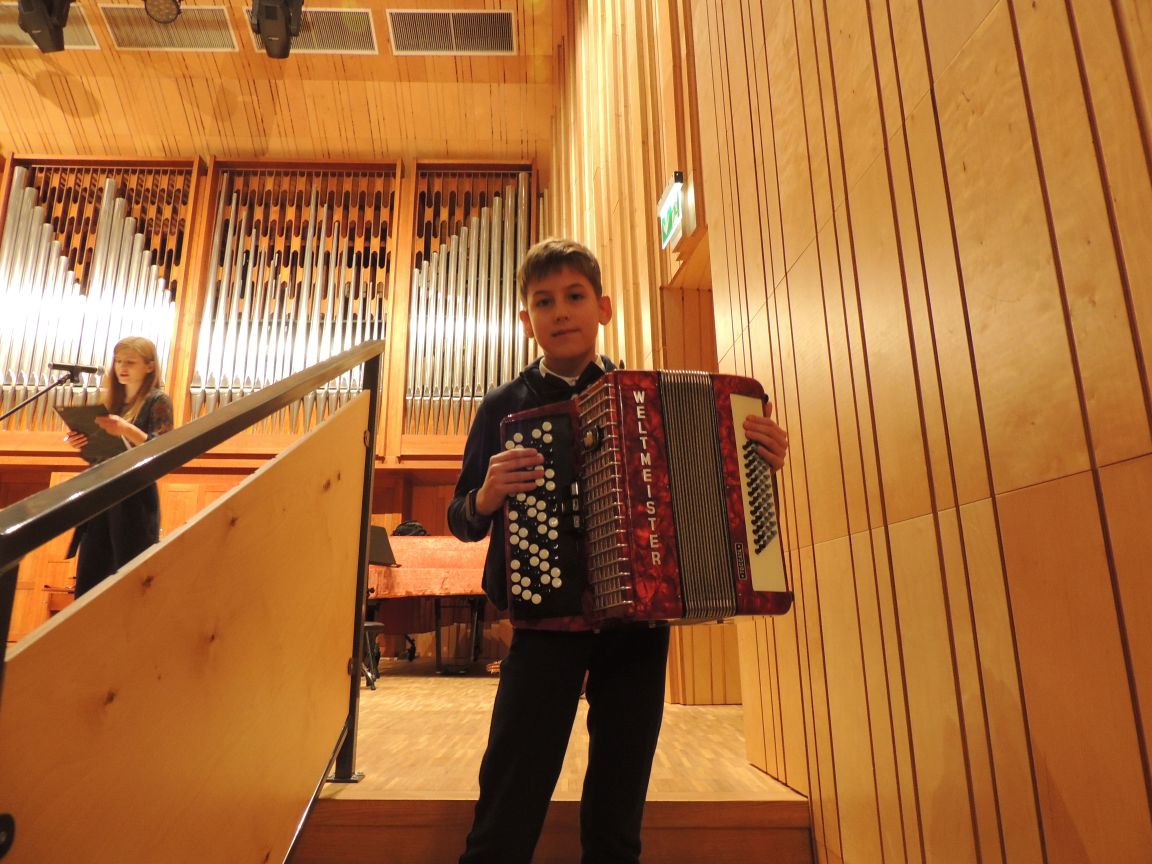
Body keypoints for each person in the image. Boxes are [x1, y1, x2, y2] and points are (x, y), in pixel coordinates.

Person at [446, 238, 789, 864]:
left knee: (619, 801)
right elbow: (460, 519)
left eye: (575, 296)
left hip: (637, 625)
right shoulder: (503, 406)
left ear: (603, 307)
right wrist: (486, 497)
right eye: (544, 301)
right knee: (509, 797)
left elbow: (706, 483)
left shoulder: (645, 397)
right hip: (545, 623)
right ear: (526, 320)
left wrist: (755, 461)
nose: (560, 311)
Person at [63, 336, 174, 598]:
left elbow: (166, 448)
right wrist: (82, 442)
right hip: (102, 492)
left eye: (130, 362)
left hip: (134, 497)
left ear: (149, 366)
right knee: (92, 576)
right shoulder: (114, 403)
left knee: (126, 575)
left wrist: (126, 429)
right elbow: (104, 455)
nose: (122, 367)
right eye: (118, 361)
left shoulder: (158, 400)